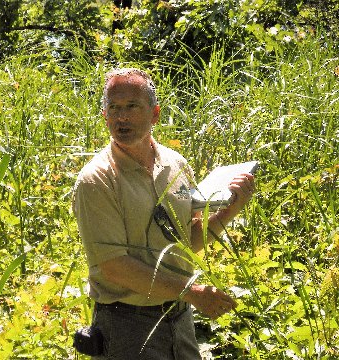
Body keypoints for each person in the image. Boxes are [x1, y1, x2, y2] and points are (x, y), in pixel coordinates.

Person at [73, 68, 255, 359]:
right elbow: (113, 266)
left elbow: (188, 241)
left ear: (155, 114)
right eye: (114, 108)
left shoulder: (176, 164)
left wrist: (232, 208)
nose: (121, 117)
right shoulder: (96, 179)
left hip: (178, 318)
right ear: (105, 115)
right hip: (126, 325)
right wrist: (191, 291)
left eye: (132, 106)